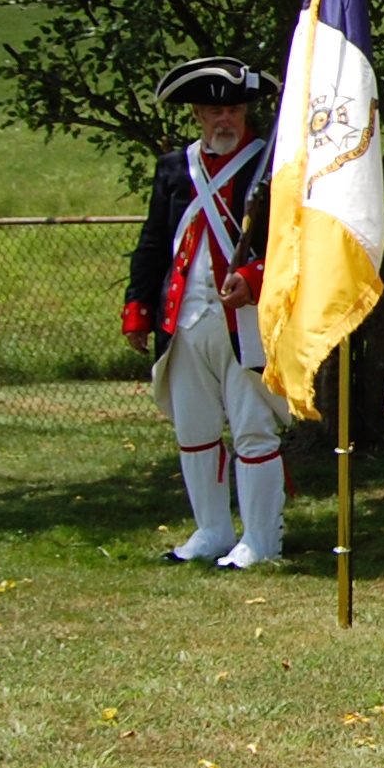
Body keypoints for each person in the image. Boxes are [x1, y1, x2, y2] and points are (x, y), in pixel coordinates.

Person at [121, 56, 286, 568]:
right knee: (194, 430)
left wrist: (253, 279)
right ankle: (212, 531)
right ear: (197, 114)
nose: (225, 119)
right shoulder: (176, 168)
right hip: (185, 321)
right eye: (215, 111)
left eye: (233, 109)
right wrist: (138, 307)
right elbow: (154, 243)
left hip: (244, 322)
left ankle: (261, 538)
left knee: (253, 428)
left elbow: (289, 244)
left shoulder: (269, 166)